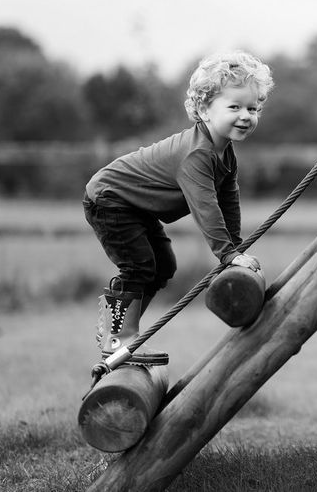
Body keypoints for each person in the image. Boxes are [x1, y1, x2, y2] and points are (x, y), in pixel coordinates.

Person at [83, 50, 274, 364]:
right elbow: (206, 206)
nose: (246, 115)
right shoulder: (197, 154)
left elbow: (228, 200)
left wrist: (236, 248)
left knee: (163, 266)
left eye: (253, 108)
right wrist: (227, 254)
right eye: (235, 107)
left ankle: (119, 331)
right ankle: (116, 337)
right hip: (110, 198)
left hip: (135, 207)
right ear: (204, 109)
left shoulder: (223, 153)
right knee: (140, 266)